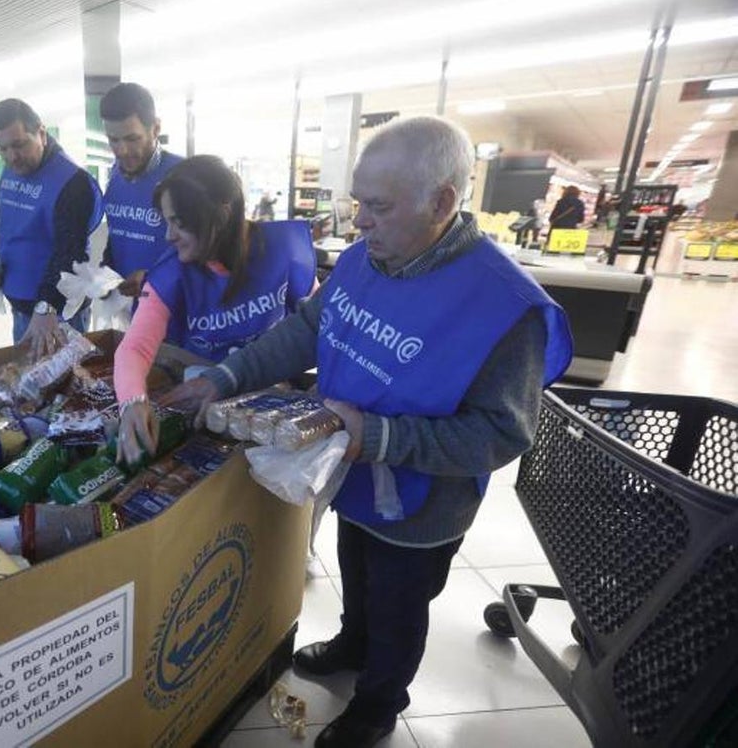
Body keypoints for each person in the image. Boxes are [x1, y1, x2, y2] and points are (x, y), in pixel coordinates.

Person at [159, 117, 573, 748]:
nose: (359, 223)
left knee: (400, 606)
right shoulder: (366, 258)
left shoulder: (504, 308)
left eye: (377, 207)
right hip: (348, 468)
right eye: (358, 204)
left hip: (421, 503)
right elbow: (305, 330)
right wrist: (227, 374)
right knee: (355, 562)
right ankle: (353, 642)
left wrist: (379, 437)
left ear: (442, 202)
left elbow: (501, 435)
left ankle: (379, 703)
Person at [114, 155, 317, 465]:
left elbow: (318, 324)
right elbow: (134, 348)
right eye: (166, 222)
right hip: (206, 408)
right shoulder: (170, 275)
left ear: (221, 216)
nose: (168, 236)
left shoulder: (283, 250)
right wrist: (132, 401)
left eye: (178, 223)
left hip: (276, 411)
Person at [0, 98, 102, 355]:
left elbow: (70, 252)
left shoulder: (72, 181)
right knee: (28, 386)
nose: (12, 157)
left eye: (19, 145)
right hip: (22, 307)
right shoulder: (10, 172)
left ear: (41, 132)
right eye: (2, 149)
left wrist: (46, 306)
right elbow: (1, 225)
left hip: (56, 316)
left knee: (66, 387)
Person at [98, 82, 183, 298]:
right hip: (127, 310)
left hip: (173, 312)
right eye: (113, 140)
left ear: (155, 128)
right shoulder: (115, 175)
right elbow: (119, 232)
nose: (122, 151)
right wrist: (105, 270)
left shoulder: (184, 175)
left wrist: (152, 277)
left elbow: (210, 254)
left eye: (132, 139)